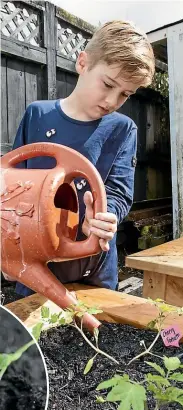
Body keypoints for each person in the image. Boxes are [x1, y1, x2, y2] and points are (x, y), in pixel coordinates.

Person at [5, 20, 155, 296]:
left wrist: (102, 219)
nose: (112, 100)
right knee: (34, 335)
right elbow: (11, 184)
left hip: (92, 262)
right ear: (83, 63)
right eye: (108, 84)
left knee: (92, 333)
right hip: (37, 258)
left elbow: (120, 193)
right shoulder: (37, 115)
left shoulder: (123, 129)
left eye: (125, 94)